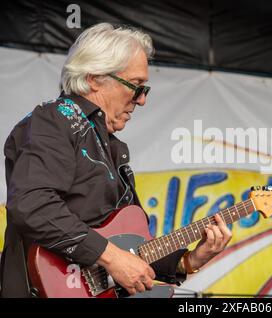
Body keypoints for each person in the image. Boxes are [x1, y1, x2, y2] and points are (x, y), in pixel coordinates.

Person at [0, 23, 232, 298]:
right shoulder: (54, 120)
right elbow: (32, 204)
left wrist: (189, 261)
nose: (142, 100)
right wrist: (112, 258)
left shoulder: (110, 147)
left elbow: (133, 247)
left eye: (145, 89)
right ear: (94, 78)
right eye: (136, 86)